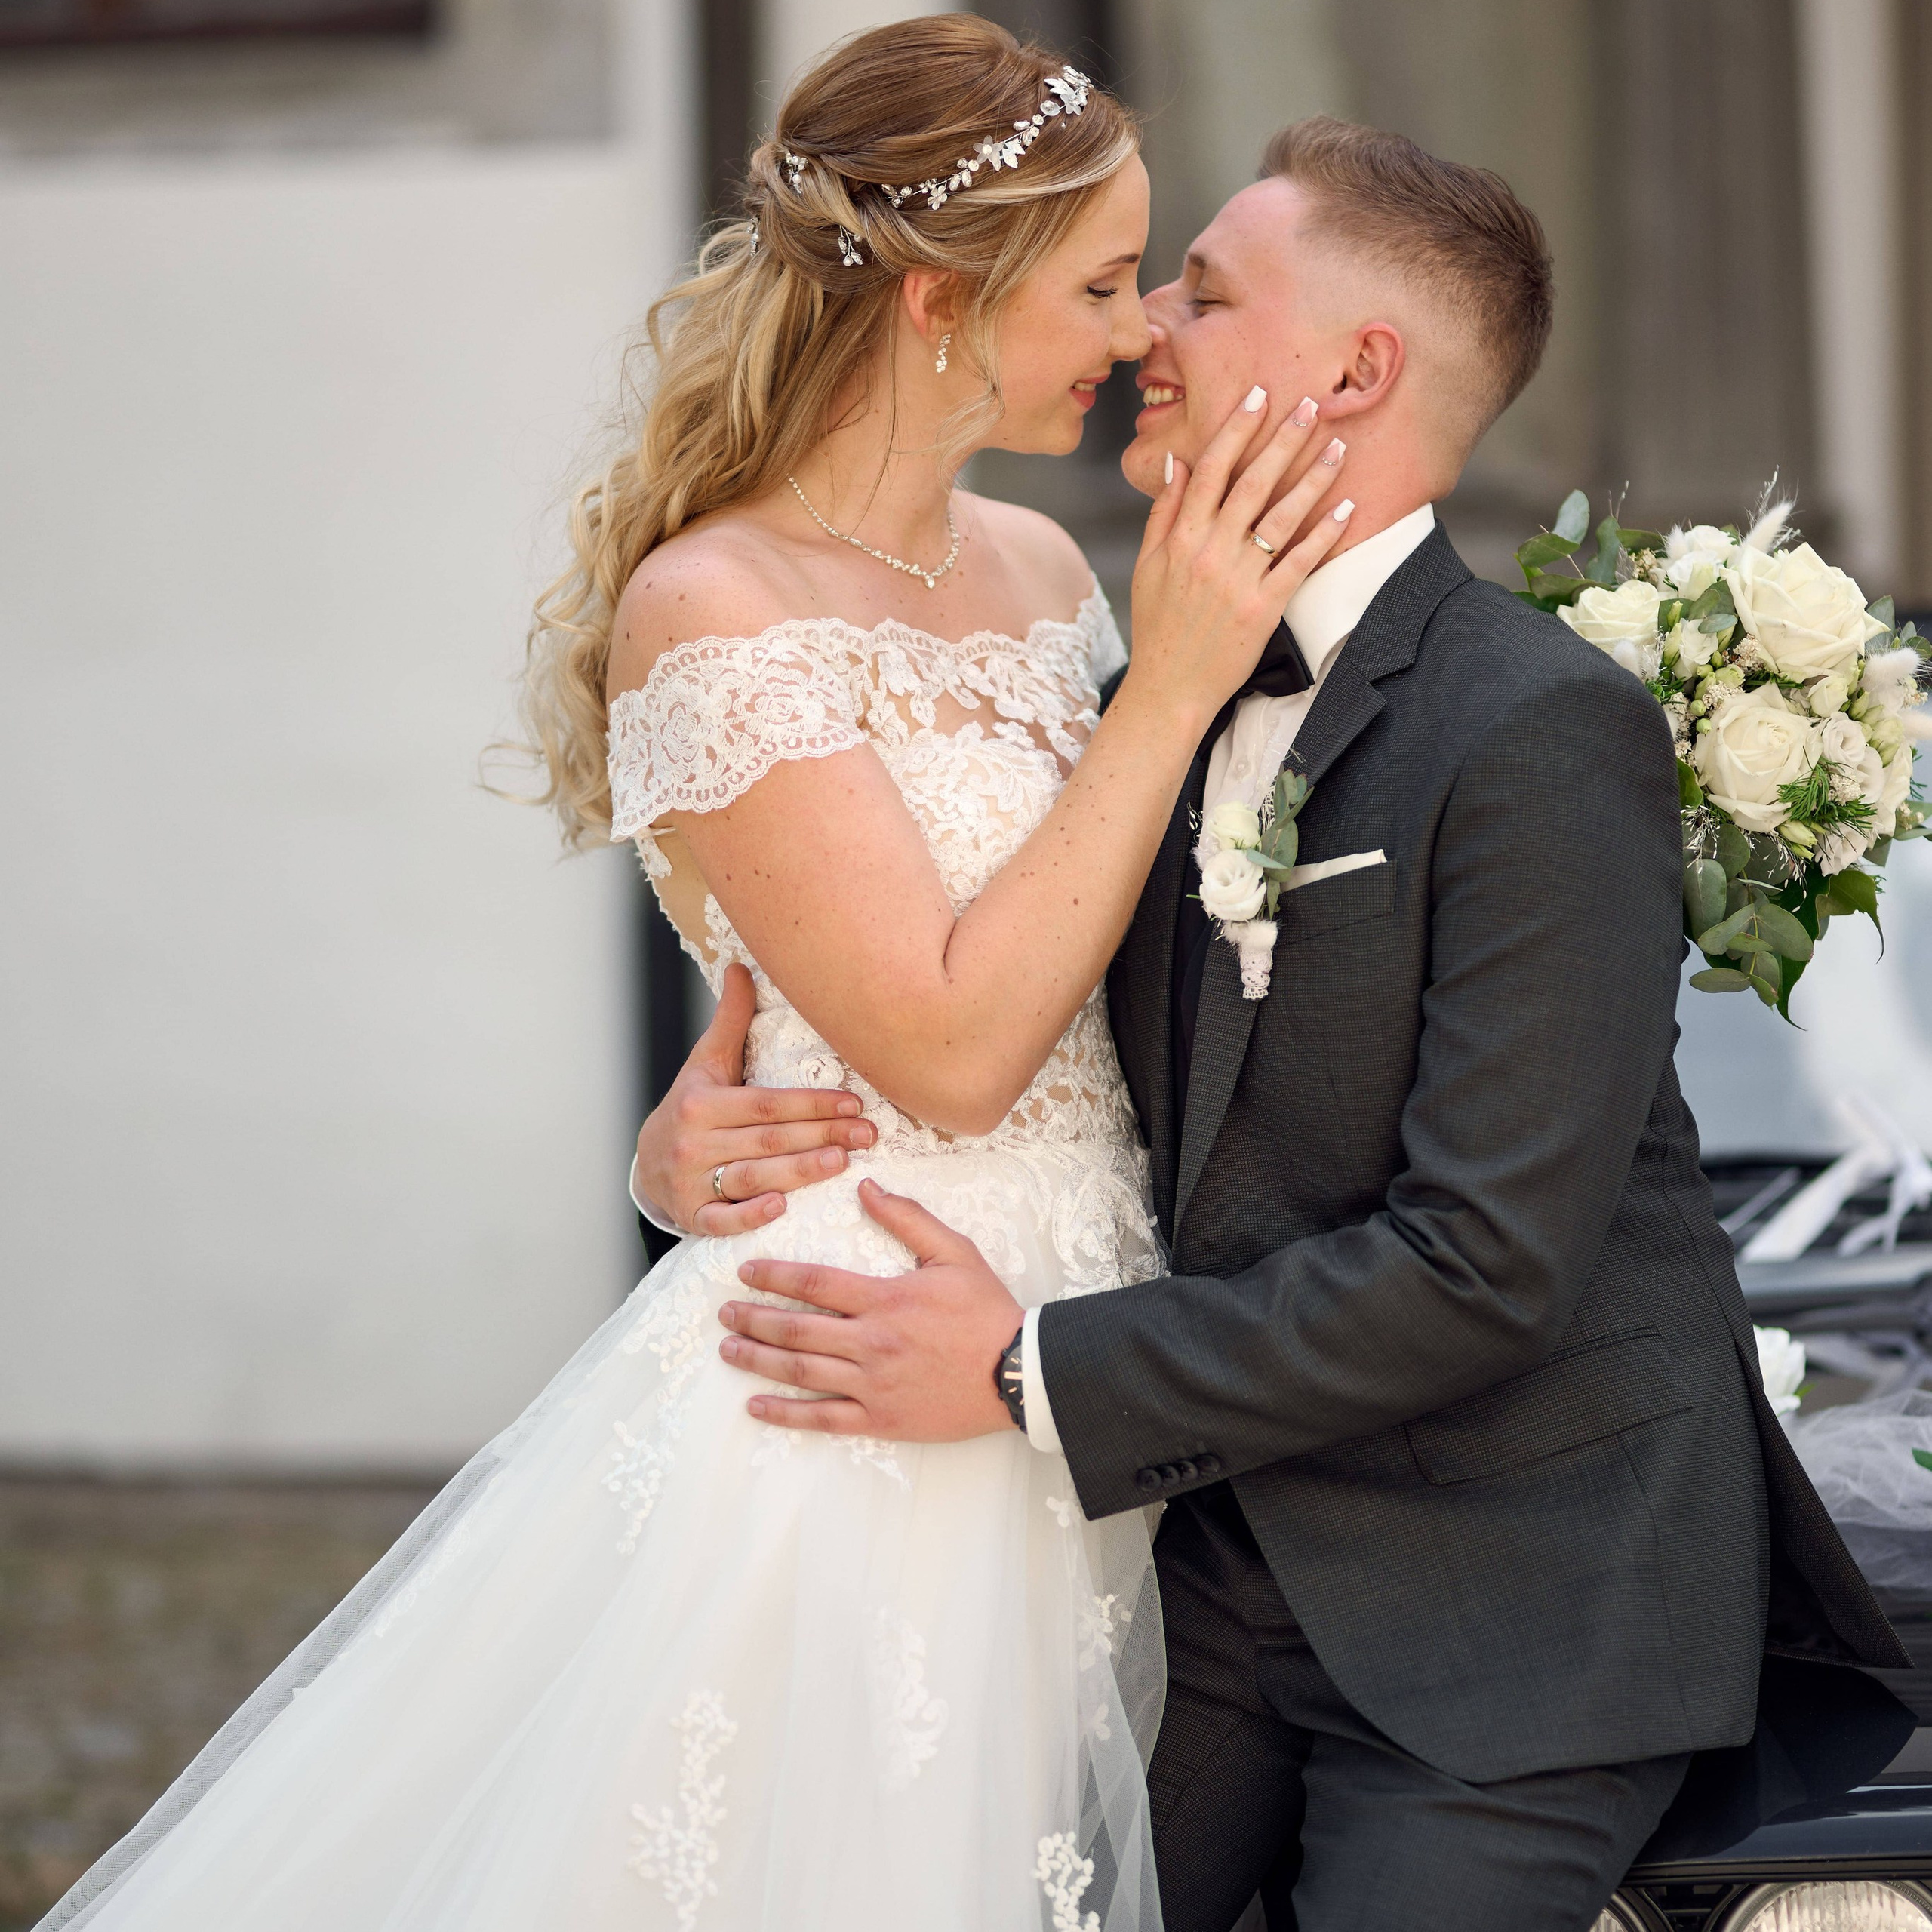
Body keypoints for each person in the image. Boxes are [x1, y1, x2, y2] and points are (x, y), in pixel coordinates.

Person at [36, 20, 1366, 1932]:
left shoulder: (1042, 573)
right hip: (856, 1367)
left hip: (1097, 1342)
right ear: (935, 298)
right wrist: (1170, 685)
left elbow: (1112, 960)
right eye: (1092, 283)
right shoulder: (715, 605)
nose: (1143, 328)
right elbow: (953, 1045)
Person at [632, 118, 1913, 1932]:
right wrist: (707, 1135)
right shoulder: (1129, 686)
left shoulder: (1535, 725)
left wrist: (1021, 1374)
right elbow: (1000, 1030)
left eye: (1202, 288)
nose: (1147, 319)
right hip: (1213, 1562)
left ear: (1351, 369)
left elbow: (1482, 1261)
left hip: (1513, 1607)